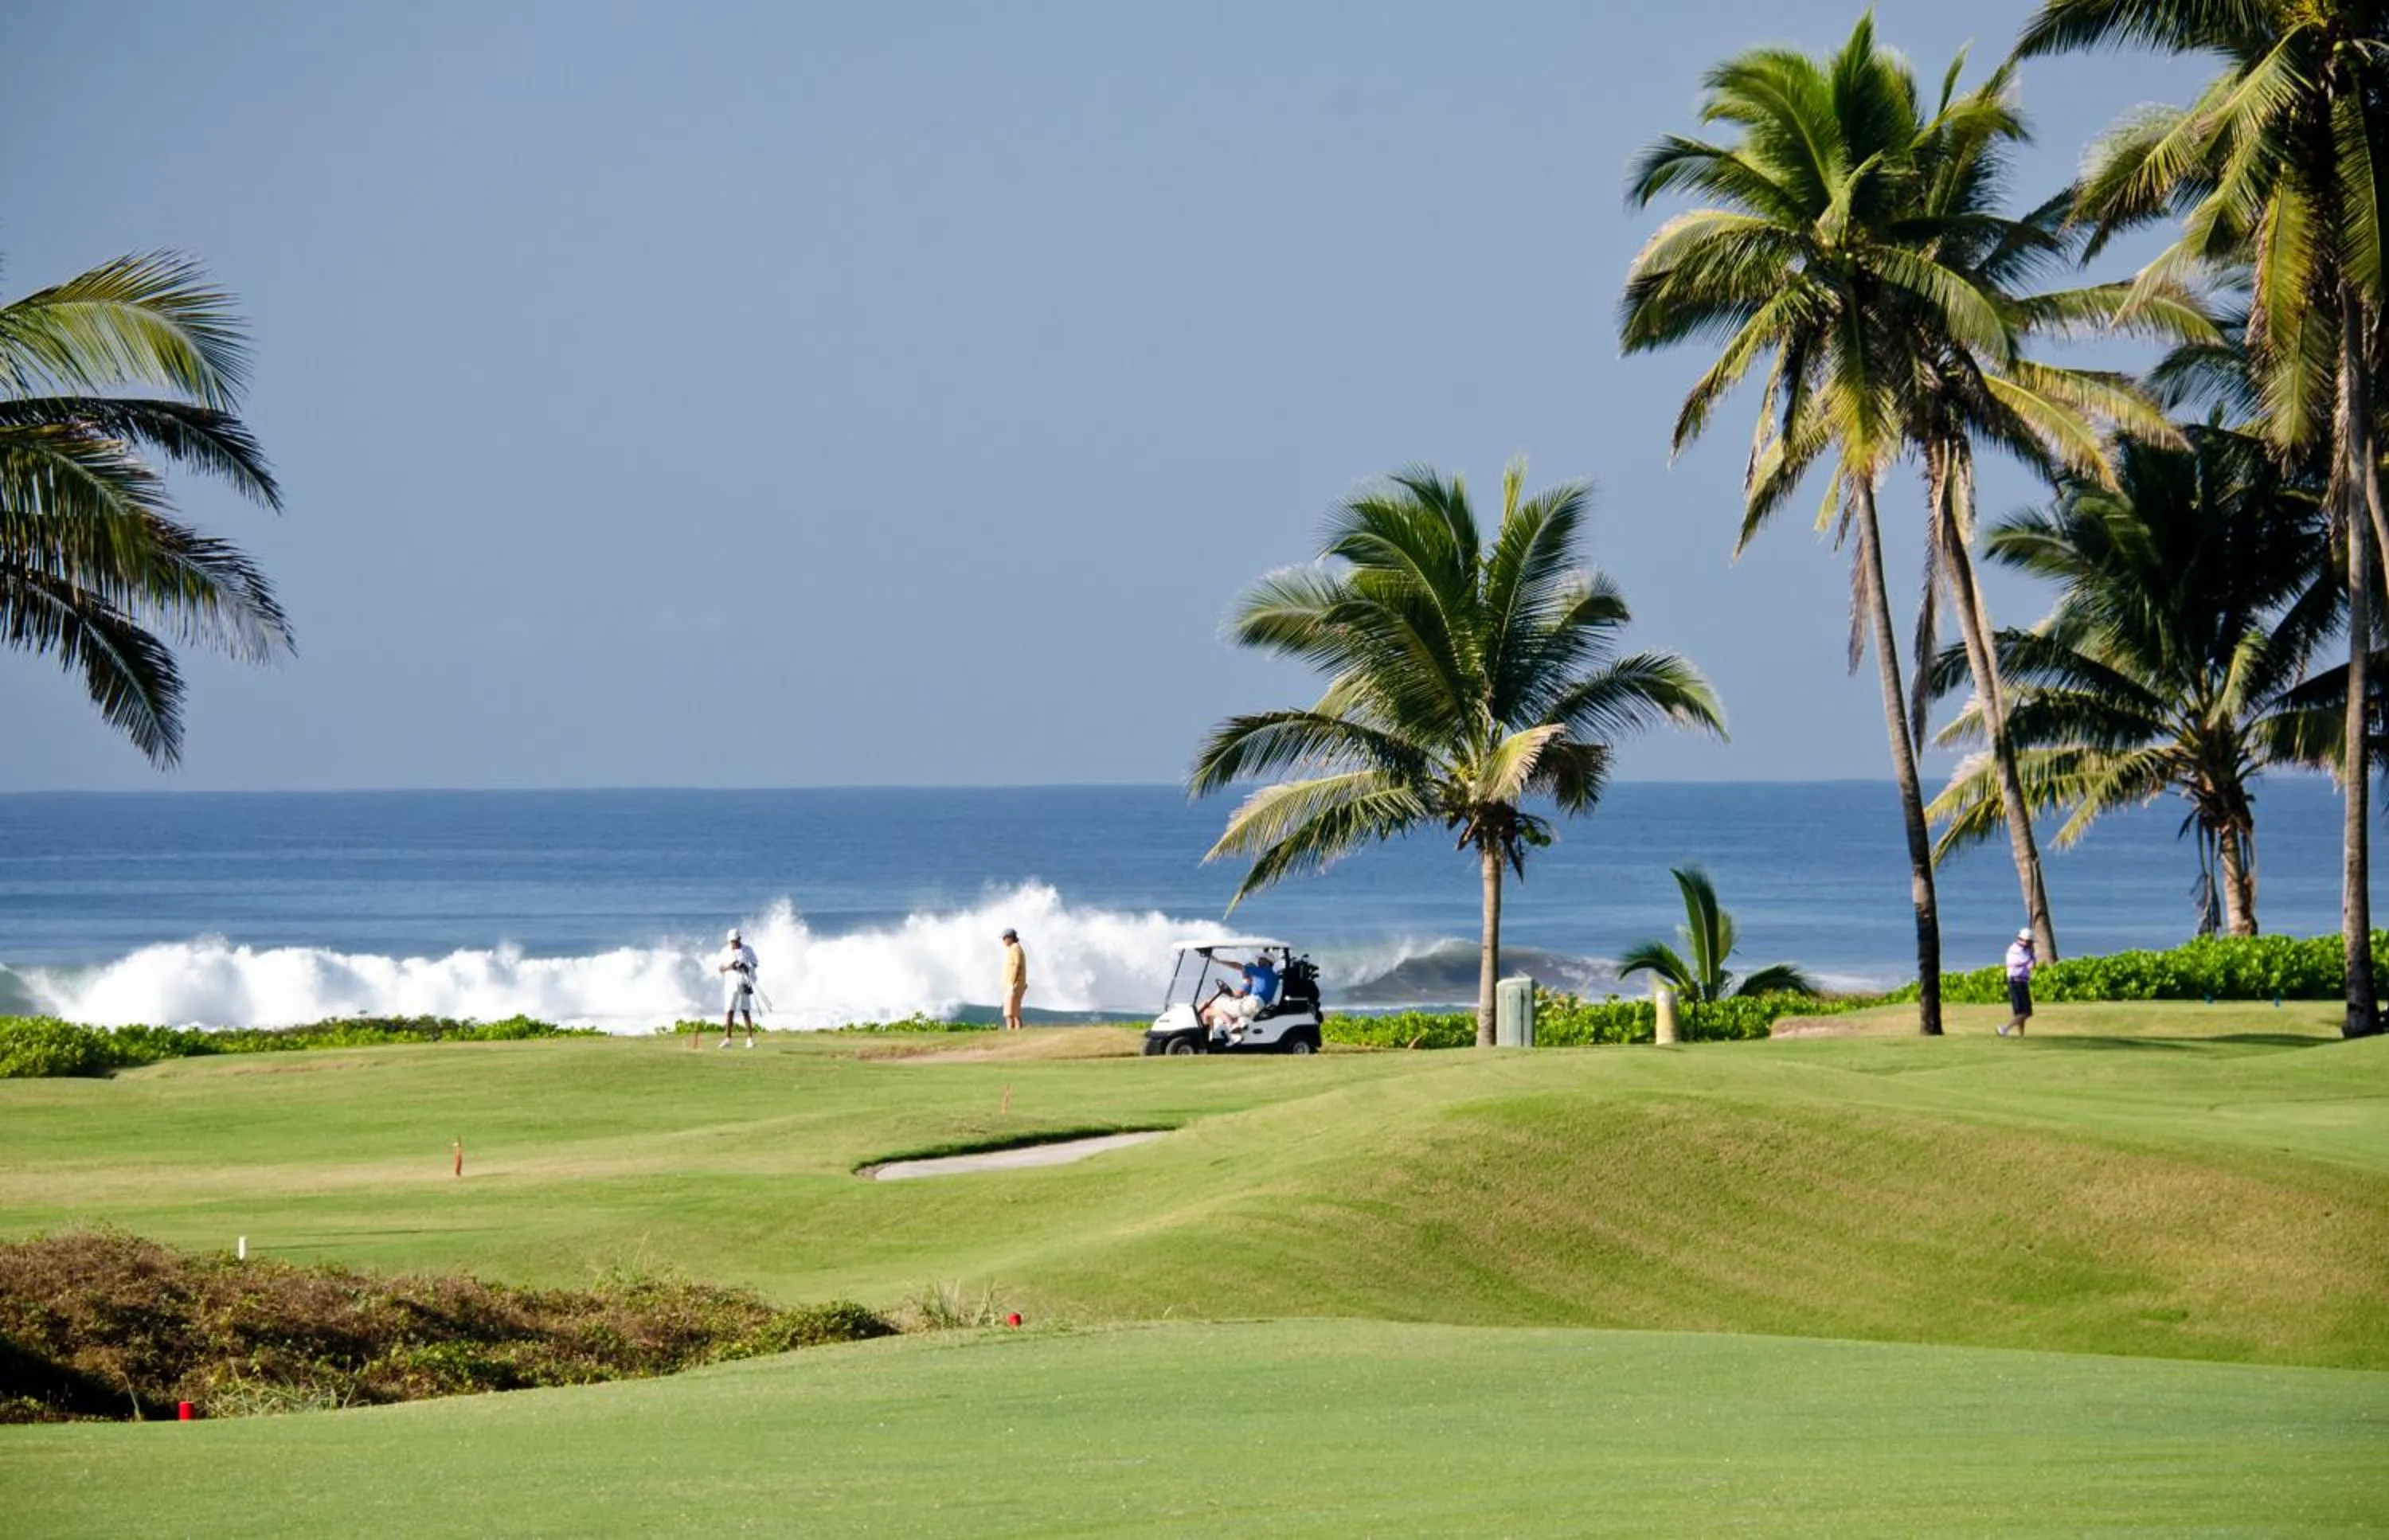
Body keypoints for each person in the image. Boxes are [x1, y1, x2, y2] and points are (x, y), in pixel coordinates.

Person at [1202, 950, 1280, 1037]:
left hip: (1252, 1003)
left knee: (1212, 1002)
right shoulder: (1274, 975)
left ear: (1267, 962)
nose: (1258, 961)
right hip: (1257, 1005)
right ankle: (1225, 1033)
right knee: (1212, 1010)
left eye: (1261, 959)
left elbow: (1238, 966)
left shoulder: (1261, 971)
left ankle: (1230, 1027)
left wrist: (1218, 961)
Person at [716, 926, 759, 1048]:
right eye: (731, 941)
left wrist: (747, 966)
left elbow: (755, 963)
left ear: (740, 938)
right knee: (729, 1011)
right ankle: (728, 1039)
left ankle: (750, 1039)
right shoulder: (725, 951)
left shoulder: (748, 949)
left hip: (745, 983)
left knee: (746, 1011)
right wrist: (731, 966)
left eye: (735, 941)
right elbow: (720, 968)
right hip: (730, 985)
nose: (733, 943)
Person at [1999, 928, 2035, 1037]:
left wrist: (2031, 954)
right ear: (2024, 940)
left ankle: (2021, 1035)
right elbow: (2029, 964)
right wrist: (2032, 957)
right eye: (2030, 942)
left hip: (2022, 982)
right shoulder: (2016, 950)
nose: (2031, 944)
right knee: (2026, 1012)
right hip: (2016, 983)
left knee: (2021, 1012)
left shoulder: (2025, 950)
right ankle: (2005, 1028)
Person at [999, 928, 1028, 1030]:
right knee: (1014, 1012)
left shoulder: (1015, 948)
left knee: (1010, 1013)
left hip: (1014, 985)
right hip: (1014, 984)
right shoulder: (1013, 948)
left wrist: (1012, 983)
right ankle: (1015, 1034)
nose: (1003, 941)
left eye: (1004, 938)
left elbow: (1017, 965)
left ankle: (1012, 1034)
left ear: (1010, 938)